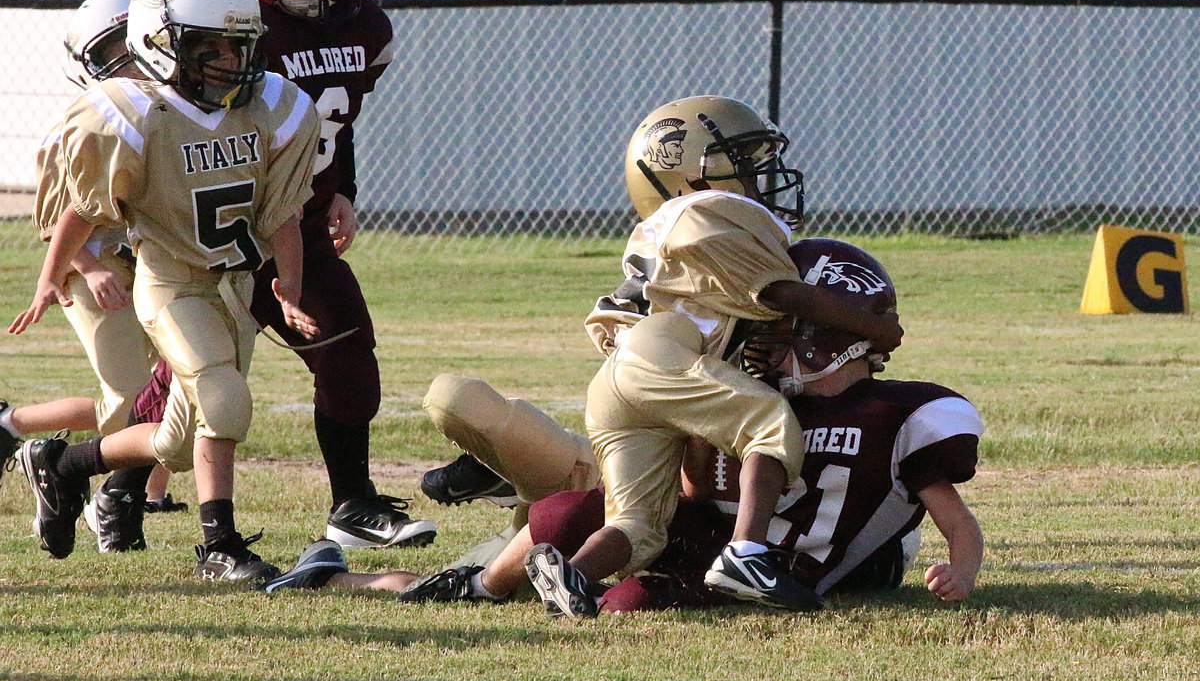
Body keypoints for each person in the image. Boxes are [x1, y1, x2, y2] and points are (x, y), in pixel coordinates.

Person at [262, 239, 982, 609]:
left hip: (741, 555)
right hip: (667, 516)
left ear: (828, 335)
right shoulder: (748, 386)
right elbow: (689, 482)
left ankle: (478, 574)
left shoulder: (901, 413)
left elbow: (943, 515)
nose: (761, 343)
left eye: (781, 330)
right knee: (565, 508)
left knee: (618, 579)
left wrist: (963, 569)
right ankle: (443, 584)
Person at [521, 96, 903, 616]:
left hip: (621, 380)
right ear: (682, 172)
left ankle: (572, 576)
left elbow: (728, 314)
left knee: (639, 525)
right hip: (661, 357)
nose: (760, 176)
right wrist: (873, 326)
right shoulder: (706, 210)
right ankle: (746, 555)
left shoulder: (669, 227)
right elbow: (782, 294)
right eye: (742, 162)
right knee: (769, 424)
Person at [9, 0, 320, 583]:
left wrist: (289, 286)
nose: (230, 62)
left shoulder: (268, 107)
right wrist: (54, 274)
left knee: (176, 443)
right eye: (211, 46)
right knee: (224, 398)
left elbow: (282, 213)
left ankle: (65, 466)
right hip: (172, 282)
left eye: (238, 46)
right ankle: (220, 547)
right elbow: (81, 205)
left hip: (234, 287)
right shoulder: (130, 114)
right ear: (160, 41)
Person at [225, 0, 434, 550]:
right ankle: (87, 470)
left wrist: (341, 185)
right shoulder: (230, 30)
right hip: (220, 238)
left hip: (303, 231)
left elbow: (333, 124)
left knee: (350, 360)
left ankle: (352, 504)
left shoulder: (364, 25)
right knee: (192, 401)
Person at [0, 0, 181, 550]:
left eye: (134, 48)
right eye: (113, 52)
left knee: (181, 385)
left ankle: (132, 496)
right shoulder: (80, 124)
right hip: (95, 271)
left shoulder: (170, 110)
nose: (128, 63)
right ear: (88, 64)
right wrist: (88, 265)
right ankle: (39, 448)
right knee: (125, 403)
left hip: (151, 265)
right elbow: (56, 215)